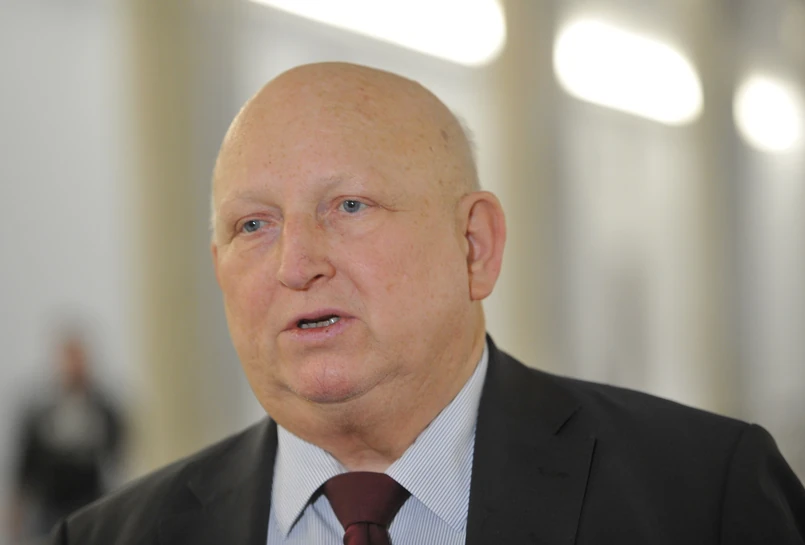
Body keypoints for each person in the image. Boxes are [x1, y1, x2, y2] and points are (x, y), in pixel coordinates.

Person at [50, 62, 804, 544]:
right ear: (219, 269)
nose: (296, 265)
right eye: (253, 225)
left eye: (349, 206)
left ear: (474, 245)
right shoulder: (104, 537)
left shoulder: (704, 496)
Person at [10, 330, 124, 543]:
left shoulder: (102, 407)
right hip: (51, 504)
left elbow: (115, 450)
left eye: (79, 358)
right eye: (69, 359)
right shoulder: (40, 409)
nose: (75, 366)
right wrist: (17, 511)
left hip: (91, 499)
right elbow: (26, 462)